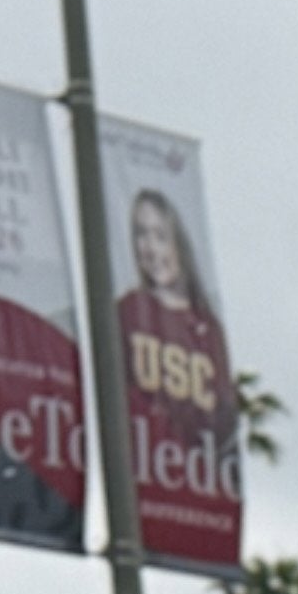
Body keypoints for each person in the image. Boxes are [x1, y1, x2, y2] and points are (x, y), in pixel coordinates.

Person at [113, 179, 243, 571]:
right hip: (150, 483)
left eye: (160, 235)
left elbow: (222, 422)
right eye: (141, 235)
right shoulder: (129, 310)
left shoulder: (209, 327)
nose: (151, 249)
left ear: (179, 243)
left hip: (201, 493)